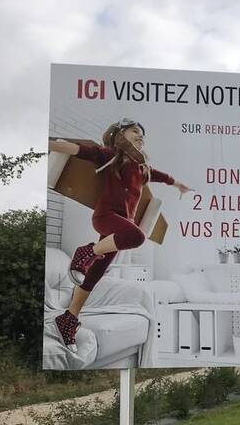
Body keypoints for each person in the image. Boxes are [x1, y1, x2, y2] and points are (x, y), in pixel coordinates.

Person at [48, 118, 191, 349]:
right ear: (119, 134)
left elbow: (162, 176)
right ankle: (87, 252)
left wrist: (178, 185)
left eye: (143, 134)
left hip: (119, 227)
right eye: (135, 131)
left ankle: (68, 318)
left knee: (94, 274)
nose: (141, 136)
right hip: (106, 217)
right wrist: (47, 144)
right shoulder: (111, 156)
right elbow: (77, 150)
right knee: (136, 237)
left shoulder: (142, 170)